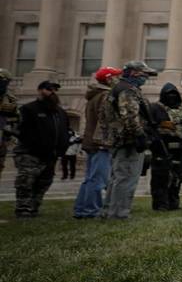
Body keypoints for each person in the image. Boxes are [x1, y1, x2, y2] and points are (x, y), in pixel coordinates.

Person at [102, 60, 158, 219]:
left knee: (117, 177)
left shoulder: (118, 88)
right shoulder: (127, 90)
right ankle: (119, 213)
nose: (146, 78)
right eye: (144, 74)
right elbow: (131, 117)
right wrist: (140, 136)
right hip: (128, 141)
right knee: (126, 178)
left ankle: (109, 211)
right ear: (134, 73)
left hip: (119, 139)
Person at [12, 80, 69, 218]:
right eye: (49, 89)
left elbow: (65, 131)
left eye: (55, 89)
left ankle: (34, 207)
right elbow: (19, 130)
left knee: (44, 183)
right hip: (30, 154)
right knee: (26, 182)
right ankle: (23, 209)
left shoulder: (60, 112)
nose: (52, 92)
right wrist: (33, 144)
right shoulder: (28, 109)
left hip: (51, 155)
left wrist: (62, 148)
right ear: (40, 91)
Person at [73, 67, 122, 219]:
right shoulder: (106, 96)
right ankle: (91, 210)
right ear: (109, 79)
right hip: (100, 143)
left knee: (90, 178)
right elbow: (106, 121)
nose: (119, 80)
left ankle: (81, 209)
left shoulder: (95, 96)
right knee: (98, 179)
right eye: (117, 77)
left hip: (91, 142)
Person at [149, 83, 182, 210]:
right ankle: (160, 204)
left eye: (174, 94)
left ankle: (173, 203)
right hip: (161, 149)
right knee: (161, 178)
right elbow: (151, 128)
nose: (171, 97)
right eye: (168, 95)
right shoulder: (155, 108)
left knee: (178, 177)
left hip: (180, 150)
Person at [0, 69, 19, 182]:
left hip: (2, 139)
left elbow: (15, 119)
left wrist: (10, 132)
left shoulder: (10, 99)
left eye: (4, 81)